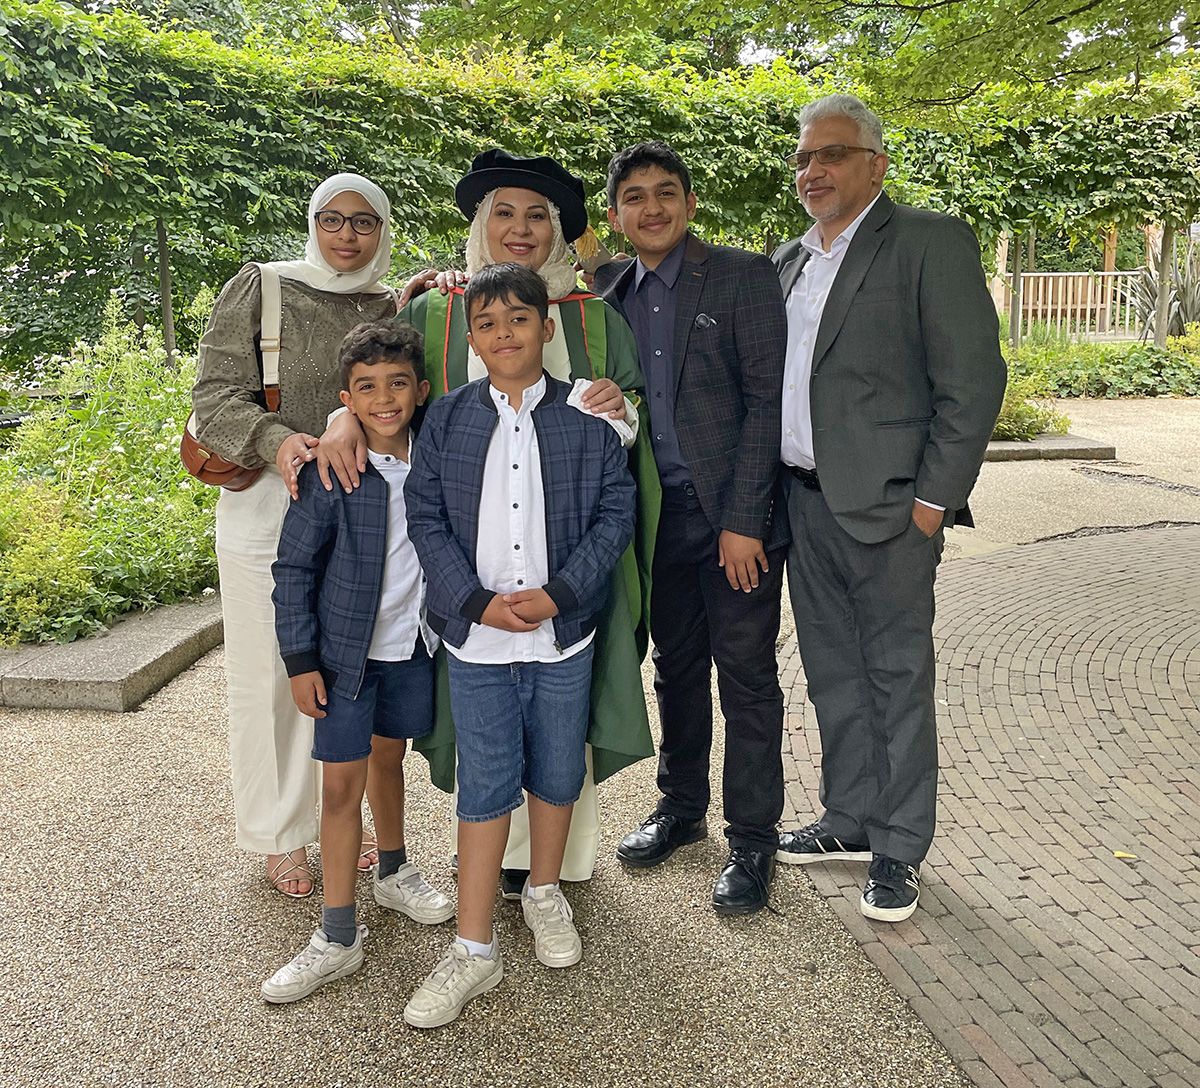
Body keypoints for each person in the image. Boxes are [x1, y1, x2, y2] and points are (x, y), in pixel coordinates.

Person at [318, 149, 657, 896]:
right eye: (503, 211)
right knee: (475, 708)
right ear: (479, 223)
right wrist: (345, 416)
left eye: (539, 215)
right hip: (459, 569)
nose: (521, 228)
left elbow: (636, 424)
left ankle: (552, 868)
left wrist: (621, 409)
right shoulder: (438, 309)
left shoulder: (596, 319)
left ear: (562, 232)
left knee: (567, 705)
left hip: (563, 558)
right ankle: (475, 855)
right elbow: (385, 390)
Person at [772, 94, 1005, 922]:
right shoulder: (789, 260)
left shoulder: (928, 242)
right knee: (834, 674)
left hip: (893, 512)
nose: (812, 171)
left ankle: (900, 845)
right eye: (803, 158)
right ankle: (850, 819)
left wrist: (933, 504)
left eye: (831, 154)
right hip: (804, 507)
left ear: (876, 163)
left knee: (897, 678)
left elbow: (972, 382)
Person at [402, 263, 636, 1027]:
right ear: (472, 338)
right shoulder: (445, 419)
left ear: (546, 326)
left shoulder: (588, 415)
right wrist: (473, 603)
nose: (506, 334)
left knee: (559, 768)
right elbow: (426, 518)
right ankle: (473, 948)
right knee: (487, 779)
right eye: (490, 323)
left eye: (520, 320)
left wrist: (561, 594)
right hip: (478, 641)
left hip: (562, 634)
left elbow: (614, 513)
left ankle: (543, 892)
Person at [191, 173, 397, 897]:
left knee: (341, 668)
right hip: (267, 510)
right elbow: (212, 399)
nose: (346, 234)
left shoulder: (389, 301)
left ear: (382, 230)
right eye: (332, 219)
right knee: (271, 675)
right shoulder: (264, 285)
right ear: (312, 222)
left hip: (350, 511)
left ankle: (337, 816)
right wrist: (280, 440)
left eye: (363, 222)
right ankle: (280, 835)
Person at [599, 141, 790, 916]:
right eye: (636, 197)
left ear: (690, 202)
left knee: (746, 681)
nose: (652, 208)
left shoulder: (742, 275)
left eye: (666, 193)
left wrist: (745, 520)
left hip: (731, 523)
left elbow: (766, 402)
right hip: (657, 521)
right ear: (615, 215)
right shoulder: (605, 289)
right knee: (675, 671)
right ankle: (681, 811)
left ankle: (752, 841)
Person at [263, 322, 454, 1002]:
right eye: (366, 389)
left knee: (389, 759)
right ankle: (336, 935)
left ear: (421, 391)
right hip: (343, 659)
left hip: (411, 648)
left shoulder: (437, 454)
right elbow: (292, 567)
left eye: (398, 383)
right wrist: (299, 658)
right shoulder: (334, 470)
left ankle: (395, 873)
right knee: (340, 791)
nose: (384, 399)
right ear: (347, 397)